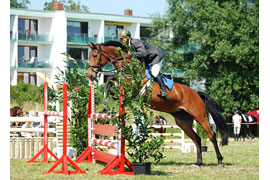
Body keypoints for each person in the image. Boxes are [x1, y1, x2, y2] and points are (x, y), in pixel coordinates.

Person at [118, 29, 168, 100]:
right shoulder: (128, 46)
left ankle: (164, 92)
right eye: (120, 39)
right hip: (148, 58)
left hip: (156, 55)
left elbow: (143, 53)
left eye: (122, 38)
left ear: (128, 37)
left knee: (153, 72)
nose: (121, 40)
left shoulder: (135, 42)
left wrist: (131, 54)